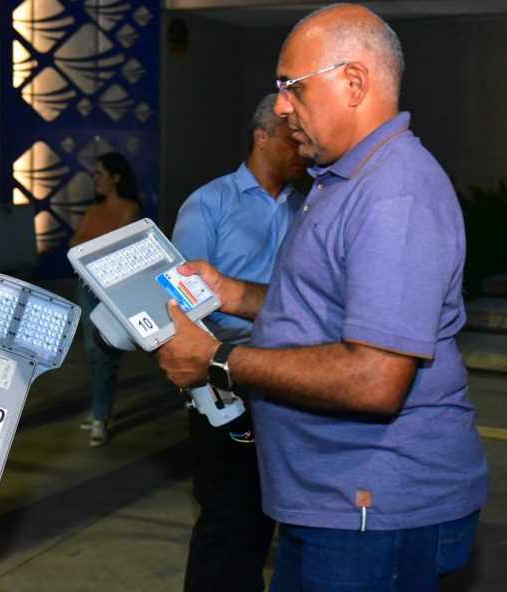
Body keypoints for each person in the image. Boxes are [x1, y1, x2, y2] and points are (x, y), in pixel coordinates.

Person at [156, 4, 490, 590]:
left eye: (292, 86)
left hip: (374, 507)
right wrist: (233, 294)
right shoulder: (343, 178)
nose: (282, 105)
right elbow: (325, 308)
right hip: (329, 499)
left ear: (354, 82)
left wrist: (216, 360)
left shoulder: (394, 195)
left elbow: (375, 377)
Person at [171, 94, 306, 592]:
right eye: (291, 136)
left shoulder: (308, 207)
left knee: (277, 514)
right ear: (261, 136)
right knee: (229, 515)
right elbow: (181, 303)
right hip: (226, 383)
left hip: (292, 378)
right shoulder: (210, 203)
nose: (301, 146)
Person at [69, 152, 141, 447]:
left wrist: (90, 247)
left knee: (106, 352)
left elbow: (114, 247)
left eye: (100, 174)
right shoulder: (94, 210)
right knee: (92, 351)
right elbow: (75, 243)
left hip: (112, 290)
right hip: (86, 287)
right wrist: (92, 247)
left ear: (116, 178)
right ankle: (101, 410)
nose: (95, 179)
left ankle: (100, 417)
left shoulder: (129, 209)